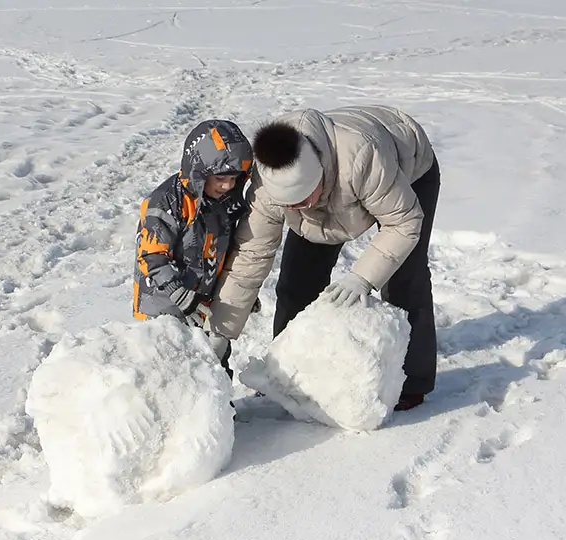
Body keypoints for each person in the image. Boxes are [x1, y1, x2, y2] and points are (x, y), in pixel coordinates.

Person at [209, 105, 440, 411]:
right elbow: (251, 254)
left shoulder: (362, 158)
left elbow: (404, 222)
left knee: (405, 280)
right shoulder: (268, 186)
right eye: (290, 205)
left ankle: (411, 382)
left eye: (304, 199)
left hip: (407, 169)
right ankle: (287, 373)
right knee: (296, 283)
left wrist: (362, 277)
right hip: (343, 187)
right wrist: (221, 330)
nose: (299, 208)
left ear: (318, 175)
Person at [131, 119, 253, 377]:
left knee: (214, 365)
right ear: (199, 170)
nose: (228, 186)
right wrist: (179, 294)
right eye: (220, 177)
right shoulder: (166, 202)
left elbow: (224, 252)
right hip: (163, 306)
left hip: (203, 304)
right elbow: (152, 257)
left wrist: (240, 290)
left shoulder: (224, 204)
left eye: (234, 179)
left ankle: (220, 411)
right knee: (170, 368)